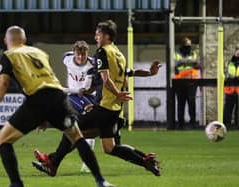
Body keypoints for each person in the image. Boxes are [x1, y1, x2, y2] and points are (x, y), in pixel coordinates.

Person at [0, 25, 114, 187]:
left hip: (38, 98)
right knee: (77, 137)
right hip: (59, 97)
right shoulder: (39, 53)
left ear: (6, 41)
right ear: (24, 40)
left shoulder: (8, 55)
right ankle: (101, 181)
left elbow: (3, 82)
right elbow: (49, 77)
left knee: (2, 140)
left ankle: (16, 184)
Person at [32, 20, 160, 178]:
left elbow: (105, 79)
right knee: (110, 148)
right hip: (114, 111)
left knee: (73, 130)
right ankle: (145, 160)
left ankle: (52, 164)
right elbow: (129, 72)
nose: (96, 37)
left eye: (98, 33)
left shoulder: (102, 52)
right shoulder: (118, 54)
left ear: (106, 35)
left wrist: (116, 92)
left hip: (104, 107)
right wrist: (149, 73)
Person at [62, 40, 97, 173]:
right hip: (73, 95)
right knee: (86, 113)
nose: (81, 57)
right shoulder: (67, 59)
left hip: (89, 95)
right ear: (74, 53)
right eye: (78, 54)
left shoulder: (91, 64)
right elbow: (66, 54)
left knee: (89, 127)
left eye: (83, 55)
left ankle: (86, 162)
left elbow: (89, 86)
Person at [173, 37, 201, 129]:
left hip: (191, 82)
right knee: (181, 103)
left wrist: (182, 62)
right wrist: (189, 62)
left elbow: (197, 63)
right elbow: (175, 64)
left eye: (189, 46)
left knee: (191, 103)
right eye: (186, 46)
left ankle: (192, 123)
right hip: (179, 82)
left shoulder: (194, 54)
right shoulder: (176, 55)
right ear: (182, 46)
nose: (187, 48)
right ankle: (181, 124)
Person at [223, 46, 239, 130]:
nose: (238, 53)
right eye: (237, 51)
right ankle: (226, 125)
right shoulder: (229, 62)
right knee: (228, 109)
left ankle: (237, 126)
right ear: (235, 52)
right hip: (229, 89)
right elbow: (225, 74)